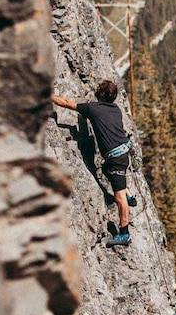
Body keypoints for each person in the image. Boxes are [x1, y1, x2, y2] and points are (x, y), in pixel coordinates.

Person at [52, 80, 132, 246]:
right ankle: (128, 194)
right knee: (107, 170)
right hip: (123, 152)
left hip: (116, 158)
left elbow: (67, 103)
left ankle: (124, 233)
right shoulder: (116, 110)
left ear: (99, 93)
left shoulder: (93, 109)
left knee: (119, 197)